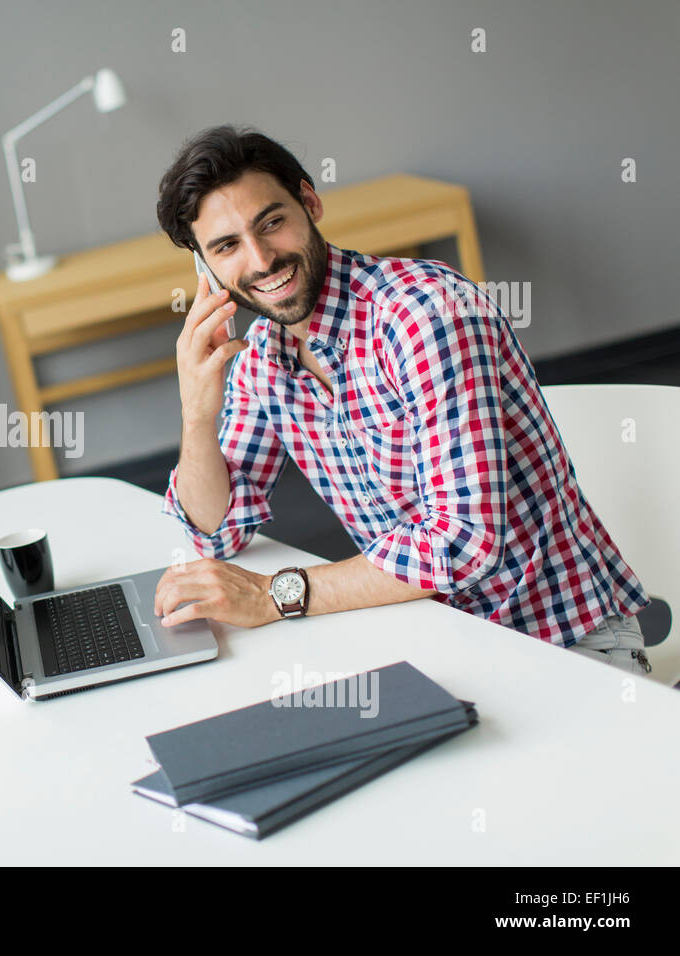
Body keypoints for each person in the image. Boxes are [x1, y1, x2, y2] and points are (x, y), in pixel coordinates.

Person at [151, 124, 651, 677]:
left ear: (310, 202)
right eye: (227, 246)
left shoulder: (424, 317)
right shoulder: (262, 359)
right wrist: (197, 412)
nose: (261, 259)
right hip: (436, 641)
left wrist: (276, 595)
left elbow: (463, 543)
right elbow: (219, 531)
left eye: (271, 223)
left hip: (561, 645)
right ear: (205, 269)